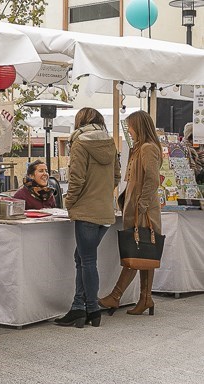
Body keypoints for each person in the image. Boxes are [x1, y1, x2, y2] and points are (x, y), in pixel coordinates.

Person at [55, 107, 120, 328]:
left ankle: (91, 309)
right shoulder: (110, 143)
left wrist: (69, 202)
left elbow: (76, 179)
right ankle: (78, 308)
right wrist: (101, 193)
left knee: (87, 260)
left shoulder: (80, 143)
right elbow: (116, 176)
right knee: (82, 258)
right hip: (104, 211)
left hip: (86, 210)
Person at [99, 110, 163, 316]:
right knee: (144, 253)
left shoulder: (147, 148)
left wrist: (142, 205)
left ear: (139, 126)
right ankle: (146, 298)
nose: (130, 131)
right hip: (137, 208)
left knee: (137, 251)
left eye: (131, 126)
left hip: (143, 211)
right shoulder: (140, 148)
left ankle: (116, 296)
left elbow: (152, 180)